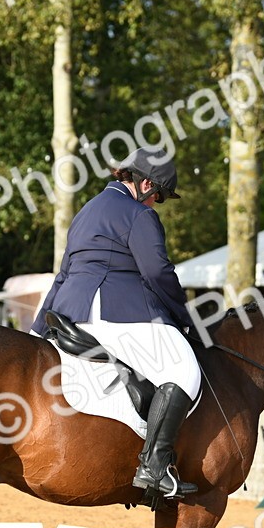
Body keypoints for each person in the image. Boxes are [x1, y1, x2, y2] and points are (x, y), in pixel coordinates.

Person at [32, 147, 200, 499]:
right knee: (185, 370)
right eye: (159, 197)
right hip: (114, 311)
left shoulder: (87, 210)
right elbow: (157, 272)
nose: (156, 204)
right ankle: (154, 467)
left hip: (69, 312)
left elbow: (62, 275)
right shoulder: (139, 214)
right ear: (146, 184)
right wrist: (183, 318)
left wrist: (37, 330)